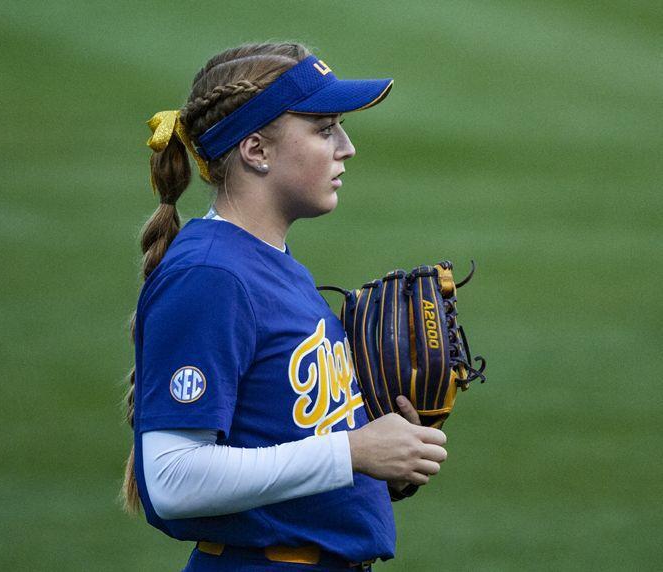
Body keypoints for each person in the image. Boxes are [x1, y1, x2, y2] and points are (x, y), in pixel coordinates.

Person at [122, 42, 448, 571]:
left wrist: (380, 459)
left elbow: (275, 438)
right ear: (256, 150)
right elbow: (173, 479)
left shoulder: (267, 260)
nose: (347, 148)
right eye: (324, 129)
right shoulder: (211, 276)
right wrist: (353, 452)